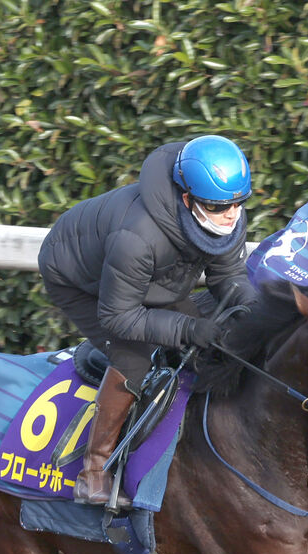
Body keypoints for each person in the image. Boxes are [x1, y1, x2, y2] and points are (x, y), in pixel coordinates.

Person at [38, 135, 257, 506]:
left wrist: (257, 314)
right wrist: (188, 328)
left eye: (238, 203)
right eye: (220, 206)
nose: (232, 215)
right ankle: (94, 470)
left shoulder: (221, 214)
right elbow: (118, 317)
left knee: (211, 347)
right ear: (188, 199)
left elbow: (229, 276)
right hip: (78, 277)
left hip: (153, 278)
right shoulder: (137, 236)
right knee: (135, 355)